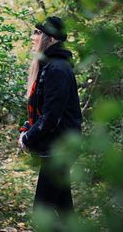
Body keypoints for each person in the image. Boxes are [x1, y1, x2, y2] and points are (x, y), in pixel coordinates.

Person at [18, 17, 82, 218]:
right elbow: (41, 110)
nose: (33, 37)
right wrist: (27, 128)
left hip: (60, 149)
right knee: (63, 210)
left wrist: (28, 139)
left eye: (37, 33)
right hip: (56, 147)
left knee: (43, 211)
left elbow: (51, 117)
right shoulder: (50, 67)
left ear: (51, 38)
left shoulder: (57, 69)